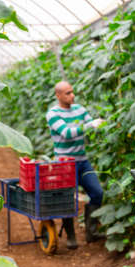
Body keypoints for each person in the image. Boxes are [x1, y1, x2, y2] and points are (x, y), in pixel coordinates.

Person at [46, 81, 105, 249]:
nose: (72, 96)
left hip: (83, 162)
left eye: (72, 92)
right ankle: (71, 236)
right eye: (67, 93)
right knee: (67, 199)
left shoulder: (79, 109)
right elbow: (67, 133)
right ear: (58, 95)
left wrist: (100, 124)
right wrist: (90, 125)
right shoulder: (53, 114)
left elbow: (91, 123)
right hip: (64, 164)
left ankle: (91, 233)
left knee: (97, 192)